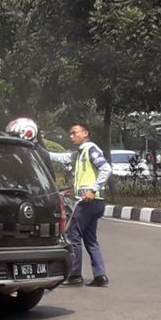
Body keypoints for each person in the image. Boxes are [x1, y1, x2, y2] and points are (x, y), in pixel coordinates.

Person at [50, 122, 112, 287]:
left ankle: (75, 275)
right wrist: (40, 152)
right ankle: (100, 276)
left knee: (73, 236)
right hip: (95, 202)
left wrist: (93, 190)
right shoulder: (79, 152)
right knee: (90, 239)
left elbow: (106, 168)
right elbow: (61, 157)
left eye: (74, 133)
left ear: (86, 133)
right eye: (70, 133)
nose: (71, 136)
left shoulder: (90, 150)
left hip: (88, 201)